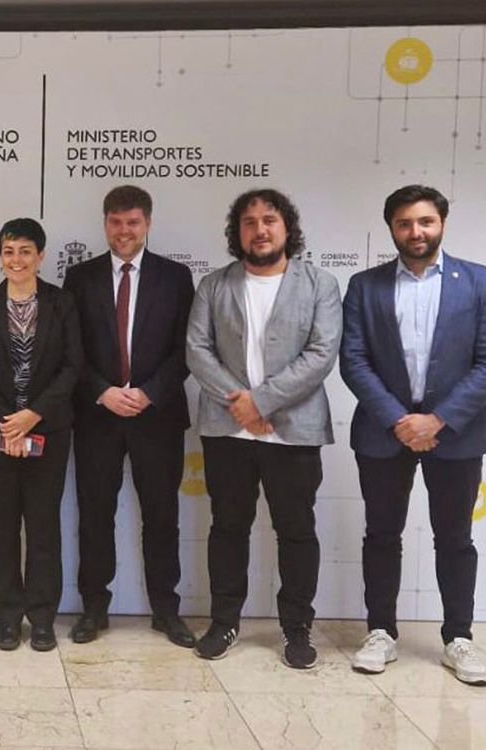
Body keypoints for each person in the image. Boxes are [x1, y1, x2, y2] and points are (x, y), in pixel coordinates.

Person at [186, 188, 341, 669]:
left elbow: (321, 354)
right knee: (228, 528)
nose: (260, 229)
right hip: (228, 432)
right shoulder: (214, 284)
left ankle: (297, 629)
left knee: (296, 532)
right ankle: (224, 621)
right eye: (249, 222)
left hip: (292, 432)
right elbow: (197, 350)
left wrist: (263, 401)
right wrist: (242, 406)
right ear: (238, 233)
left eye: (269, 220)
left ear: (286, 227)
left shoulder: (320, 284)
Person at [340, 184, 486, 684]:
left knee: (455, 538)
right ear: (392, 229)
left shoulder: (479, 282)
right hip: (385, 433)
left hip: (457, 433)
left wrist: (438, 420)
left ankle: (459, 638)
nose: (416, 231)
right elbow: (354, 361)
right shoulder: (365, 285)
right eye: (405, 223)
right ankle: (380, 632)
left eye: (425, 221)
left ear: (441, 222)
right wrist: (400, 420)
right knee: (382, 535)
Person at [63, 185, 196, 647]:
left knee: (162, 516)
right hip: (97, 417)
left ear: (148, 224)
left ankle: (166, 610)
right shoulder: (79, 279)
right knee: (94, 515)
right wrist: (102, 392)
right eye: (116, 223)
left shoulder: (176, 277)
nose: (124, 231)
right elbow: (70, 350)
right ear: (105, 224)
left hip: (156, 417)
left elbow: (186, 350)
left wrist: (148, 392)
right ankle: (93, 609)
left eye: (133, 222)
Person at [0, 218, 83, 652]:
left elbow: (73, 366)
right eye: (9, 251)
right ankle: (8, 618)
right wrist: (9, 420)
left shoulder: (62, 303)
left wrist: (32, 415)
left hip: (48, 430)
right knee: (1, 526)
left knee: (43, 524)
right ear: (0, 256)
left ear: (41, 256)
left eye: (26, 251)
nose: (17, 260)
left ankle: (43, 617)